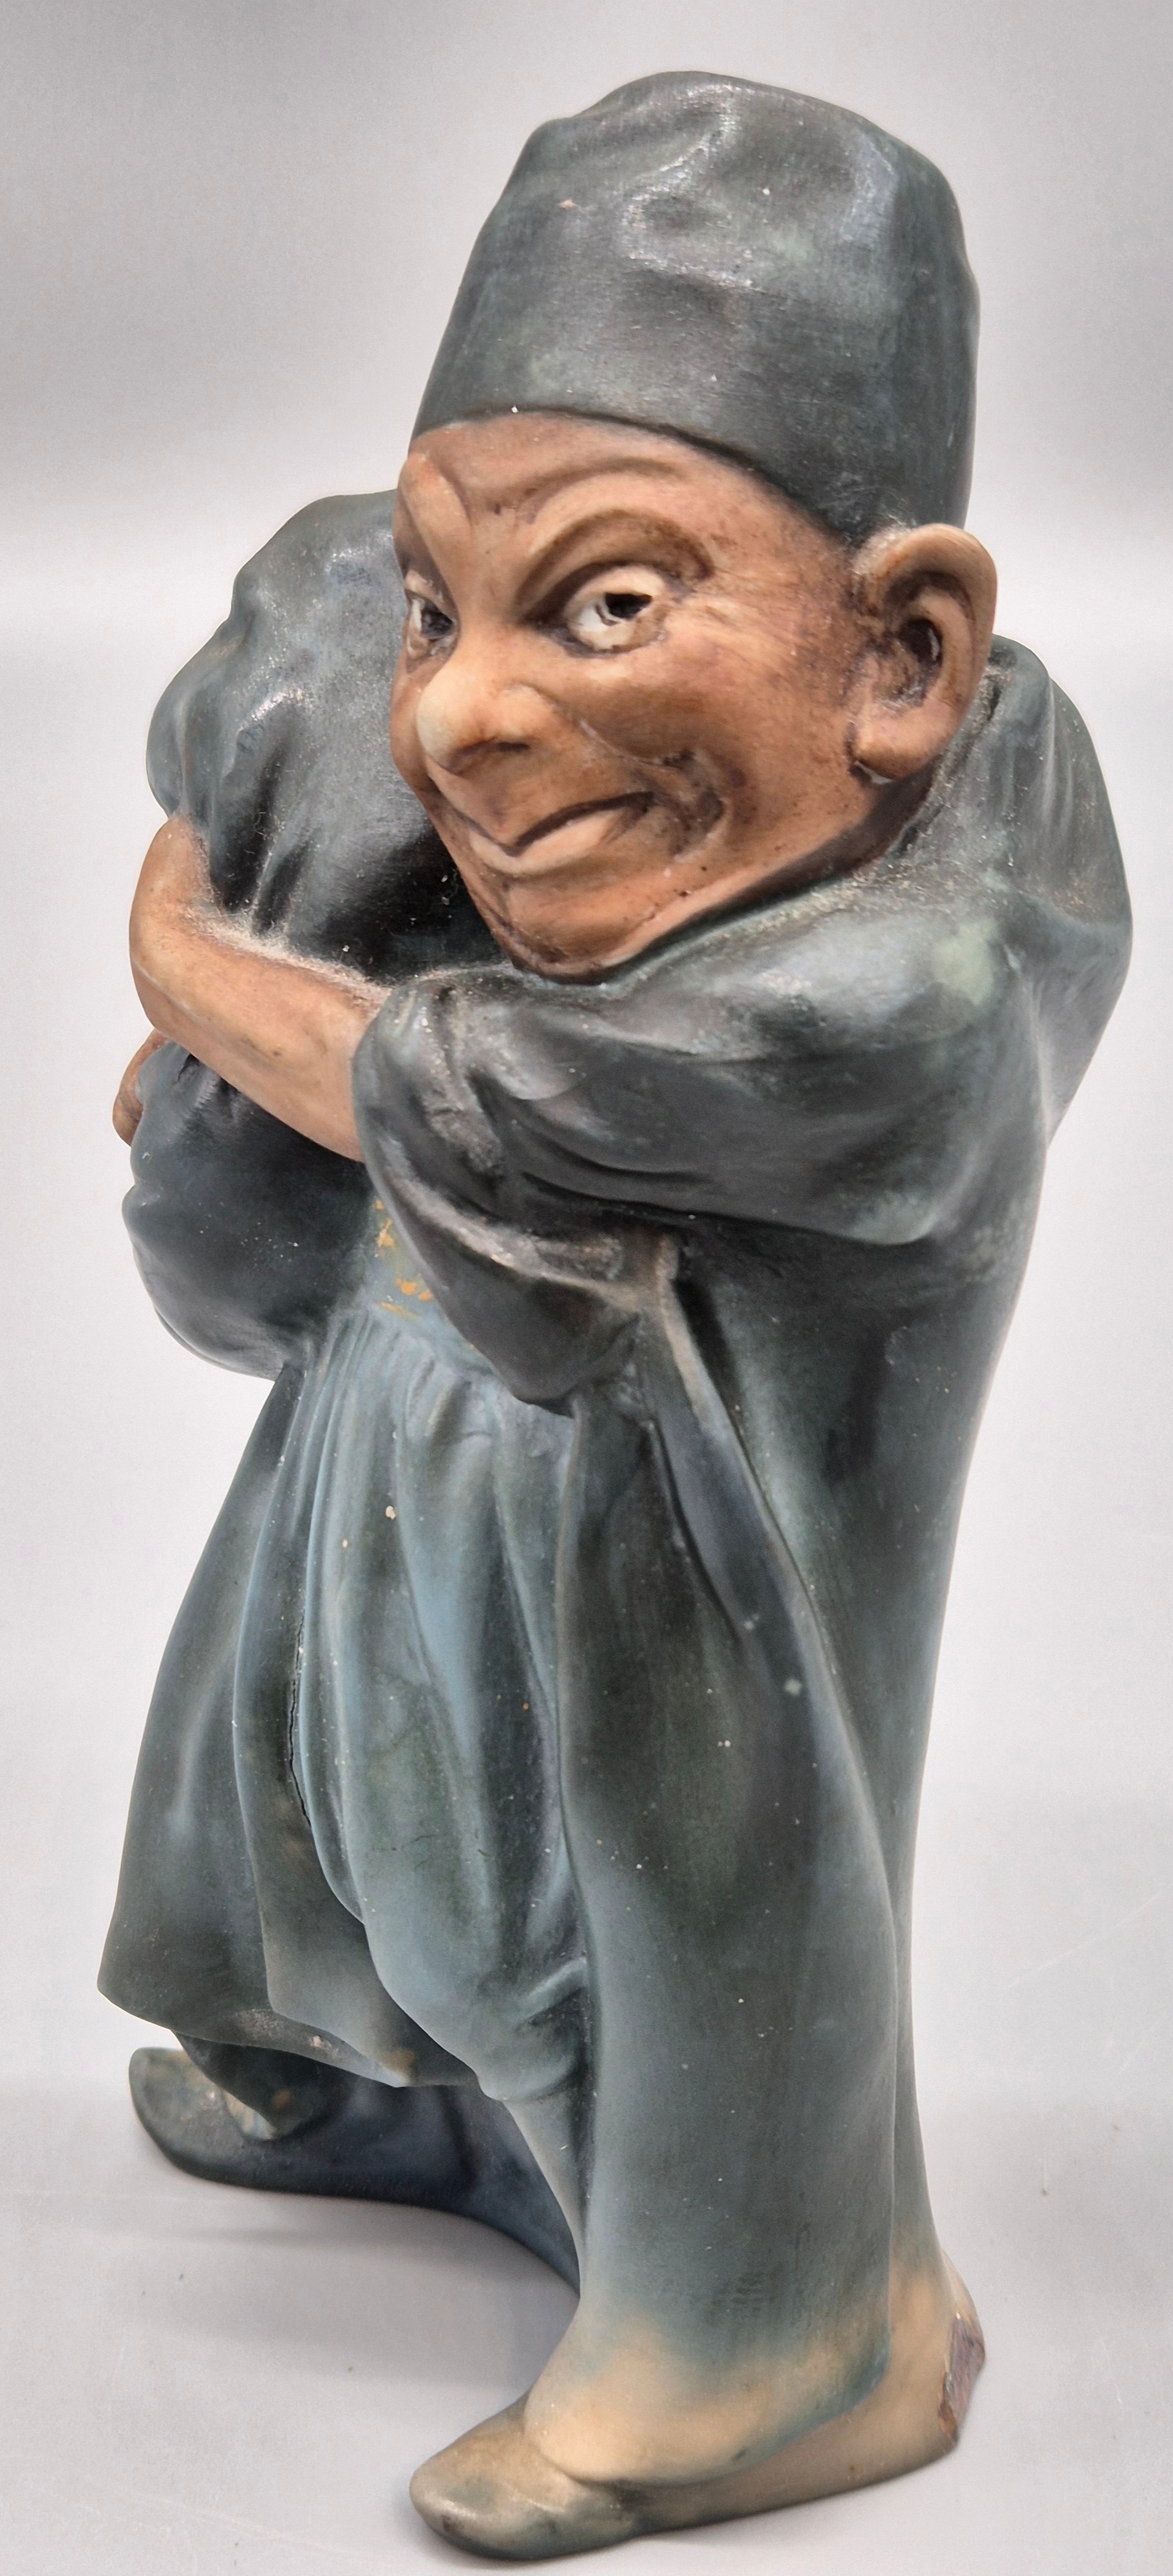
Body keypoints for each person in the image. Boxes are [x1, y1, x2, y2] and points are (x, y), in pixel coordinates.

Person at [102, 73, 1129, 2557]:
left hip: (672, 1621)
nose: (459, 714)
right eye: (438, 612)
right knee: (379, 1824)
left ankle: (767, 2346)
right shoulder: (622, 856)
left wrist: (190, 965)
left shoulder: (924, 976)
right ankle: (399, 2096)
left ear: (905, 650)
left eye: (607, 605)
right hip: (409, 1473)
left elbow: (489, 1092)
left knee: (617, 1922)